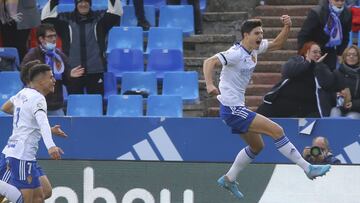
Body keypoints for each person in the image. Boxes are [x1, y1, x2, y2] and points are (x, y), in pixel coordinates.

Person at [203, 17, 331, 199]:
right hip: (231, 108)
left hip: (236, 107)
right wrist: (209, 85)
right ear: (246, 35)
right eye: (257, 33)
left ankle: (229, 178)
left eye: (261, 33)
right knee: (277, 130)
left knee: (257, 146)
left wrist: (287, 27)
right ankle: (308, 168)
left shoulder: (254, 49)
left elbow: (278, 44)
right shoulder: (235, 53)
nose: (260, 37)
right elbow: (209, 62)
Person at [1, 64, 64, 203]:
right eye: (51, 77)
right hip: (21, 156)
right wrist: (51, 146)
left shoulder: (23, 93)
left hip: (17, 153)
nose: (54, 80)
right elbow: (42, 122)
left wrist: (30, 122)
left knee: (41, 196)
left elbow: (5, 108)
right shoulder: (38, 98)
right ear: (41, 81)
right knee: (25, 200)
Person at [41, 0, 122, 96]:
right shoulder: (65, 19)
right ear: (76, 4)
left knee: (95, 105)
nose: (83, 4)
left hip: (95, 70)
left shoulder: (100, 18)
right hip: (73, 71)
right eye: (80, 2)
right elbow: (46, 17)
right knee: (75, 105)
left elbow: (116, 12)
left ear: (90, 3)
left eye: (86, 1)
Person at [22, 23, 85, 116]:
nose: (54, 39)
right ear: (41, 39)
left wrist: (69, 75)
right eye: (50, 36)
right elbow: (24, 76)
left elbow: (66, 81)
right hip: (36, 104)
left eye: (55, 36)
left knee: (60, 130)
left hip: (55, 105)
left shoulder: (59, 55)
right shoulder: (32, 55)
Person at [298, 0, 351, 71]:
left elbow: (345, 34)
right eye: (336, 0)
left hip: (331, 50)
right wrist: (303, 52)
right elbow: (304, 34)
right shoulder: (317, 12)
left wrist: (340, 52)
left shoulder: (347, 13)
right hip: (314, 49)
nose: (340, 3)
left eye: (342, 0)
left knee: (329, 75)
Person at [323, 45, 360, 119]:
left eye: (354, 55)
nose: (351, 57)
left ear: (358, 58)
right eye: (348, 55)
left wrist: (353, 104)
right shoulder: (337, 73)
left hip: (356, 110)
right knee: (335, 115)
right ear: (344, 57)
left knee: (351, 118)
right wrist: (337, 95)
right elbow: (330, 91)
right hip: (338, 107)